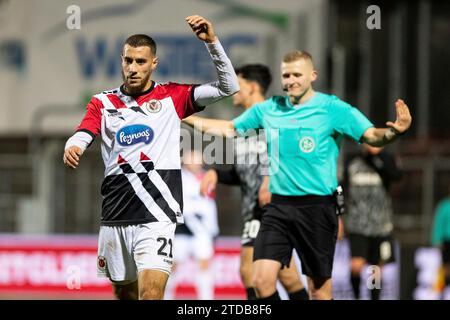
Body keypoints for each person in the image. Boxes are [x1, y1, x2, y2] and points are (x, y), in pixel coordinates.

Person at [183, 50, 412, 300]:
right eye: (286, 75)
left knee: (318, 291)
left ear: (312, 75)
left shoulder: (332, 108)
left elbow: (371, 135)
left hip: (317, 207)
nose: (290, 80)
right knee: (259, 280)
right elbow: (229, 128)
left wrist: (395, 133)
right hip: (278, 207)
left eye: (296, 74)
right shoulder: (270, 109)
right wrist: (186, 116)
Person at [62, 15, 239, 300]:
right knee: (125, 294)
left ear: (153, 63)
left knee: (151, 293)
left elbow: (228, 87)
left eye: (140, 62)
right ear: (121, 61)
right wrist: (75, 145)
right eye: (128, 60)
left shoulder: (173, 97)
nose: (132, 68)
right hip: (115, 214)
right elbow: (85, 129)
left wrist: (212, 43)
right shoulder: (103, 102)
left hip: (158, 214)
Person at [185, 64, 308, 300]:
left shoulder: (272, 117)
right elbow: (245, 171)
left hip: (272, 208)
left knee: (249, 272)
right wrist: (218, 175)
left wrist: (271, 182)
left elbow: (289, 156)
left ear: (252, 87)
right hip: (255, 209)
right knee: (287, 277)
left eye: (238, 85)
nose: (234, 91)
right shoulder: (244, 126)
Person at [343, 144, 402, 300]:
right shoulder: (352, 161)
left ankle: (373, 298)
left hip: (381, 226)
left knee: (375, 269)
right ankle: (355, 296)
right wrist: (339, 215)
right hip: (357, 225)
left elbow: (396, 176)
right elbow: (342, 187)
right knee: (356, 266)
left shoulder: (385, 159)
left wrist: (379, 156)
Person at [166, 149, 219, 300]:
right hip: (181, 230)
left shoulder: (207, 178)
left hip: (202, 231)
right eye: (192, 160)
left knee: (204, 265)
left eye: (198, 160)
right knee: (172, 265)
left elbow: (209, 205)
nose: (195, 163)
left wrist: (213, 229)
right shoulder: (178, 178)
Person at [431, 186, 450, 299]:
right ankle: (442, 291)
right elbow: (438, 224)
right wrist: (437, 240)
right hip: (447, 241)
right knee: (445, 268)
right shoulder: (444, 206)